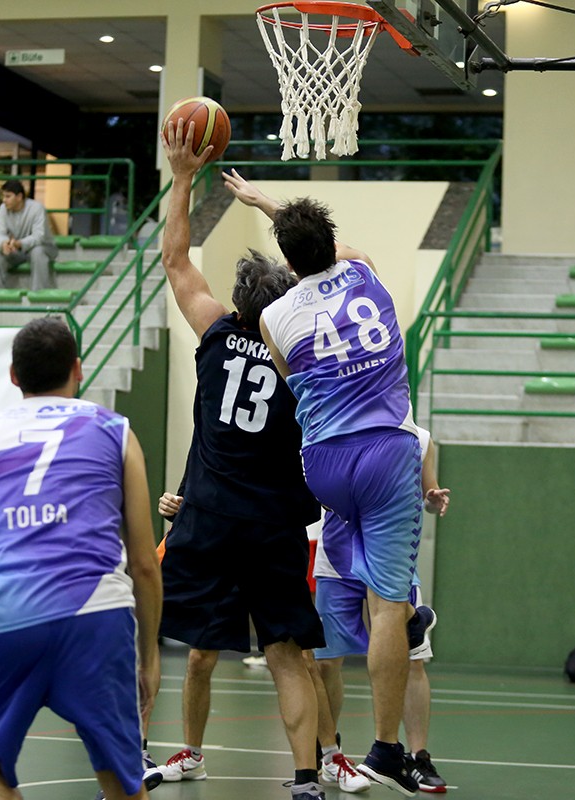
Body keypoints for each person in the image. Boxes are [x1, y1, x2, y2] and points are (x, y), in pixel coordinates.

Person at [229, 171, 430, 796]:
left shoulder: (274, 315)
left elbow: (293, 380)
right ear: (332, 242)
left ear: (289, 262)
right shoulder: (365, 272)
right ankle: (388, 748)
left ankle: (375, 606)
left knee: (347, 553)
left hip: (322, 464)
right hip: (385, 450)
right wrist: (272, 204)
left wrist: (266, 206)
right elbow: (330, 247)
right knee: (387, 604)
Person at [156, 118, 326, 800]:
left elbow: (176, 260)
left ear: (239, 304)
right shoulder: (301, 354)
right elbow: (343, 262)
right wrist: (276, 209)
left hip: (211, 518)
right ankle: (307, 778)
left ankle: (142, 755)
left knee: (166, 641)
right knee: (287, 656)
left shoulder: (216, 334)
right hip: (274, 522)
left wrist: (182, 177)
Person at [0, 317, 162, 800]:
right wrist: (149, 658)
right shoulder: (116, 430)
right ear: (77, 369)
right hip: (97, 619)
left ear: (13, 376)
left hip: (2, 615)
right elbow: (145, 563)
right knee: (123, 778)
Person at [314, 429, 451, 794]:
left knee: (412, 660)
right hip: (336, 559)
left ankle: (418, 756)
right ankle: (329, 752)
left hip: (391, 560)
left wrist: (432, 499)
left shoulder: (420, 440)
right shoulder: (334, 426)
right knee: (325, 662)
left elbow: (428, 495)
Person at [0, 178, 59, 291]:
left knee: (37, 251)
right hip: (17, 250)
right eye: (3, 196)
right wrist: (4, 243)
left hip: (43, 248)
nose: (4, 200)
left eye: (8, 196)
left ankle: (38, 294)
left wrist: (19, 243)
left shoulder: (37, 208)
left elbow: (39, 236)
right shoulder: (3, 209)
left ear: (19, 197)